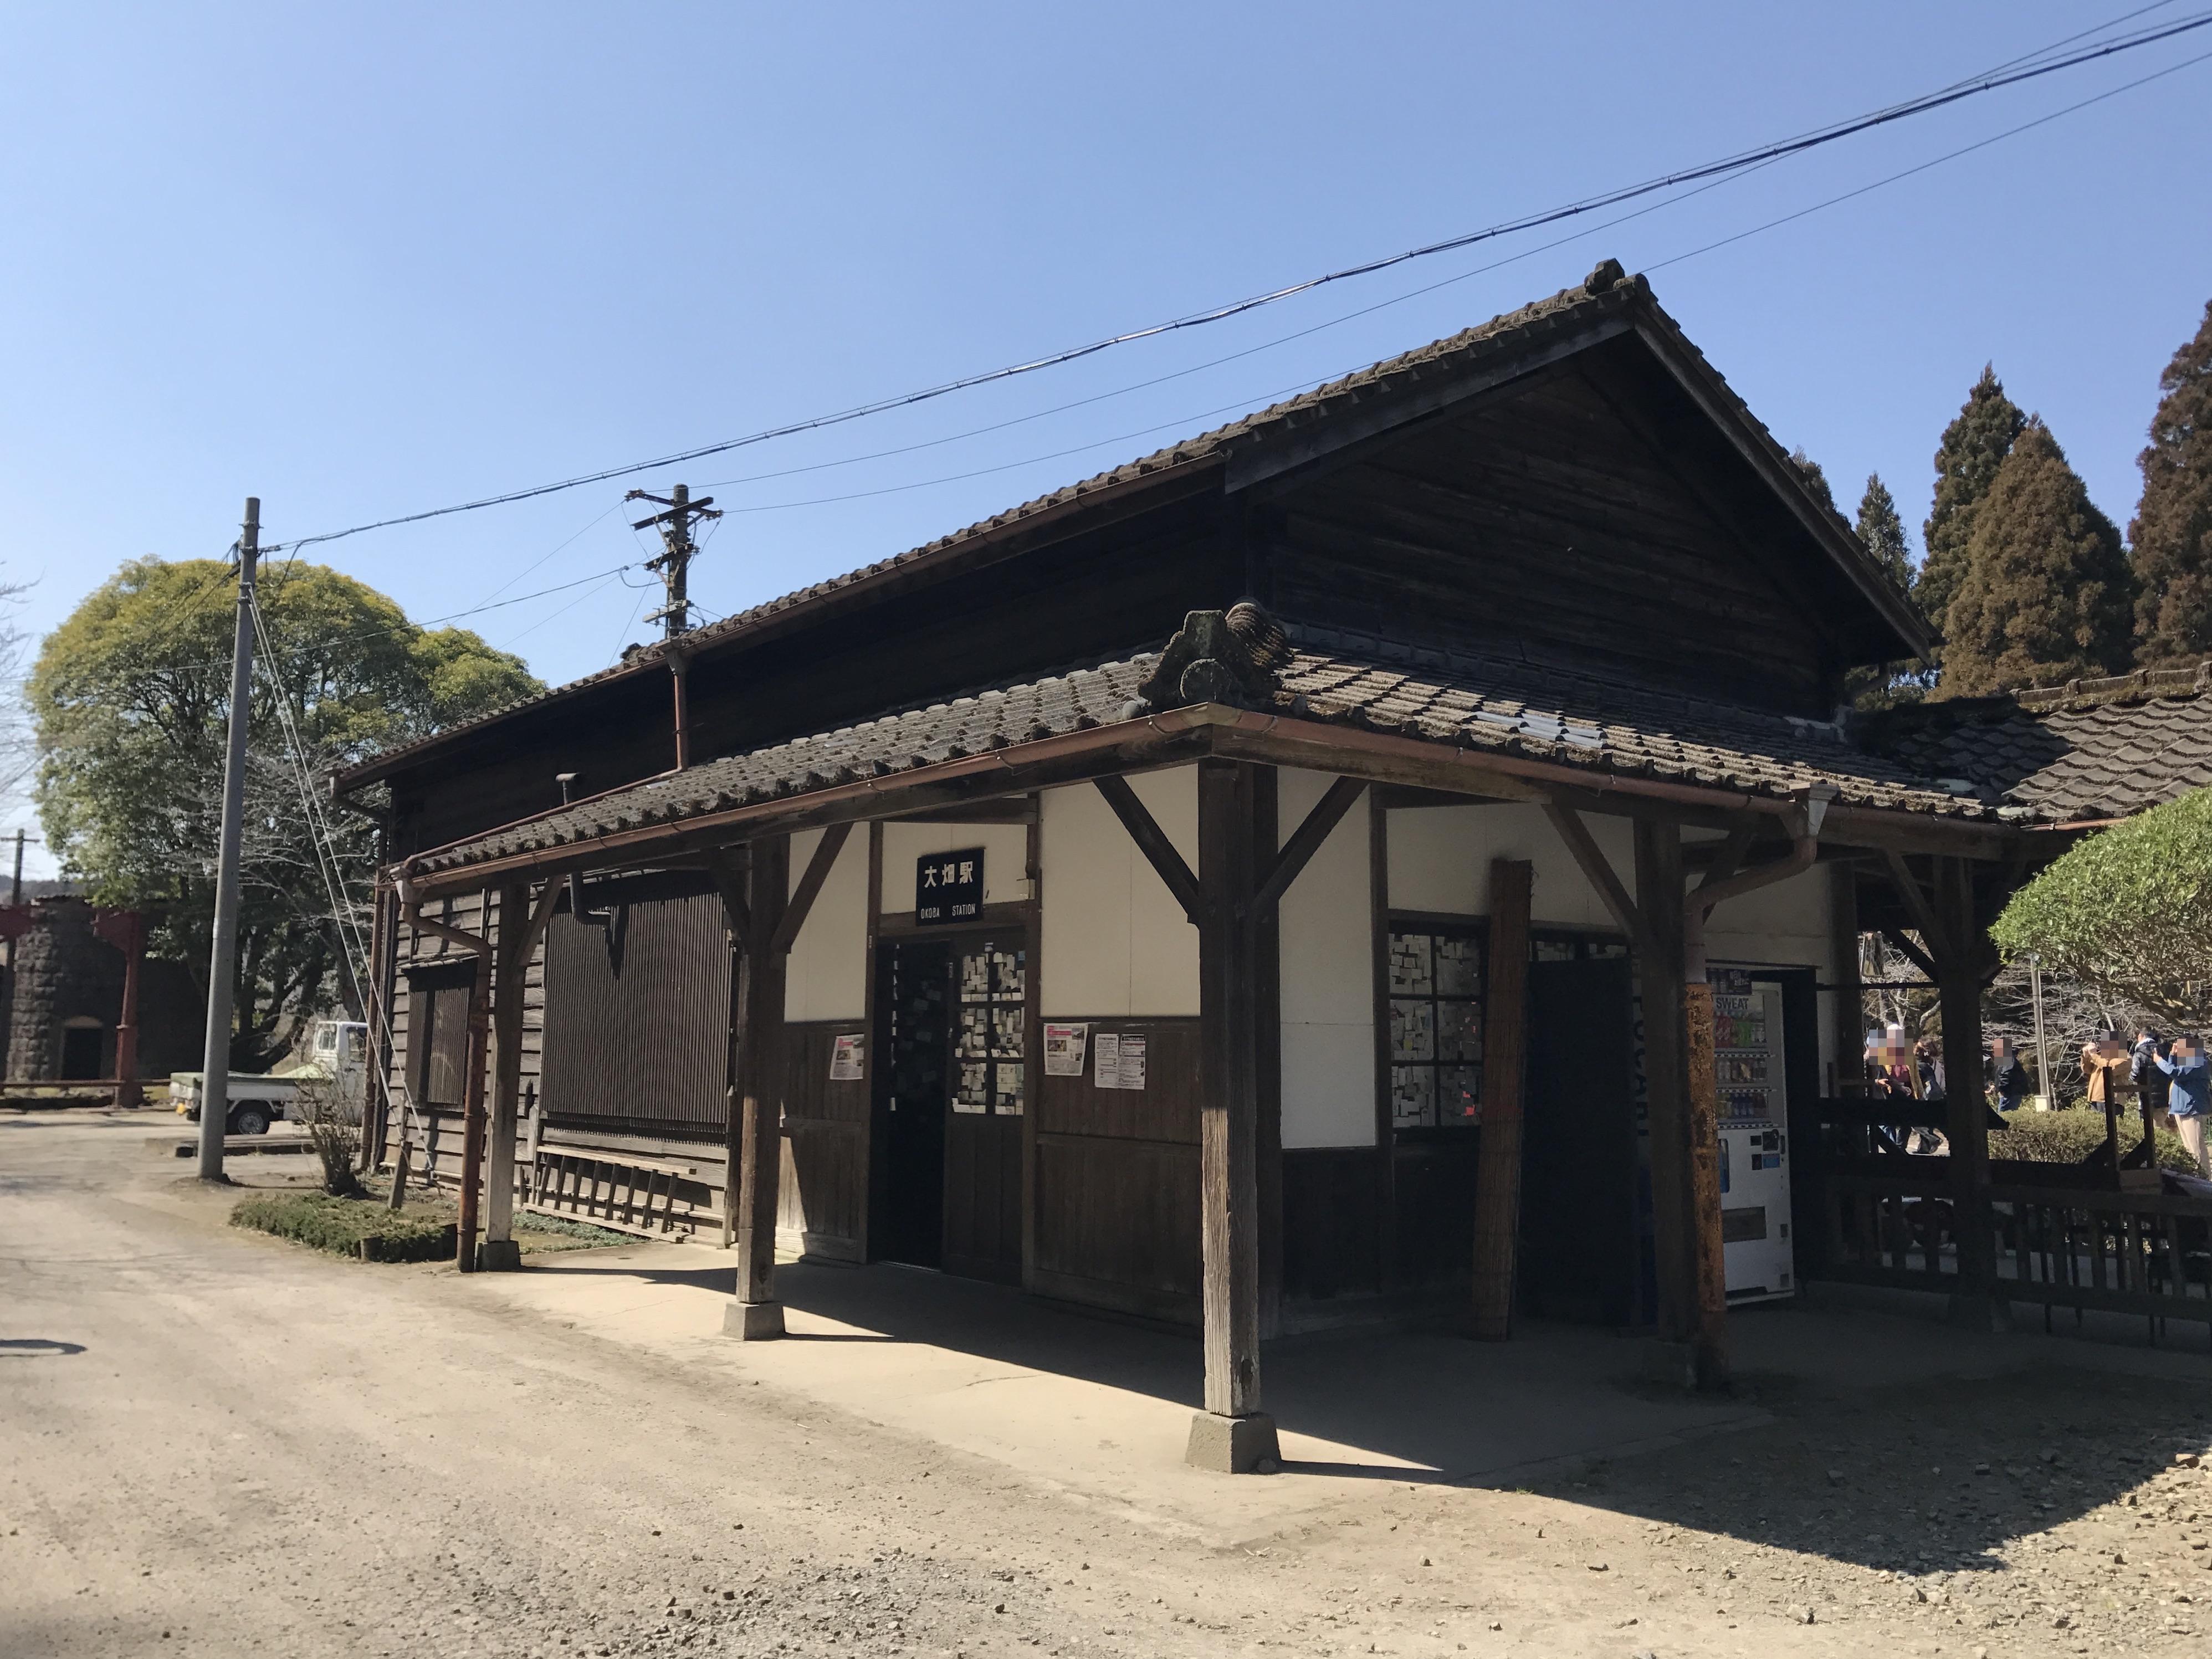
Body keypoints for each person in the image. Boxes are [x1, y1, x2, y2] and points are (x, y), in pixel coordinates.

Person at [2154, 1035, 2210, 1177]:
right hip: (2182, 1108)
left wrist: (2160, 1061)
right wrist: (2172, 1056)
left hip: (2193, 1109)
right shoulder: (2188, 1062)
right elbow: (2175, 1073)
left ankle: (2205, 1179)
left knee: (2196, 1148)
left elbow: (2177, 1073)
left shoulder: (2198, 1061)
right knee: (2188, 1149)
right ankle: (2197, 1177)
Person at [2082, 1028, 2131, 1111]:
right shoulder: (2100, 1057)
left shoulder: (2125, 1058)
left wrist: (2094, 1055)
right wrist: (2086, 1057)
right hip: (2095, 1098)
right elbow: (2087, 1070)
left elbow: (2109, 1069)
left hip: (2113, 1100)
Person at [2133, 1028, 2172, 1125]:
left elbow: (2134, 1075)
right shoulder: (2165, 1051)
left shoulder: (2139, 1054)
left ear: (2141, 1037)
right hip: (2166, 1098)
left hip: (2147, 1098)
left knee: (2151, 1132)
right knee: (2164, 1130)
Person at [1988, 1036, 2030, 1113]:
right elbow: (2000, 1075)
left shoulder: (2008, 1059)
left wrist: (2001, 1089)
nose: (1994, 1051)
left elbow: (2005, 1076)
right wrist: (1995, 1086)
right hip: (2009, 1094)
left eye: (1995, 1048)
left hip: (2010, 1094)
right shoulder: (2006, 1059)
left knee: (2003, 1119)